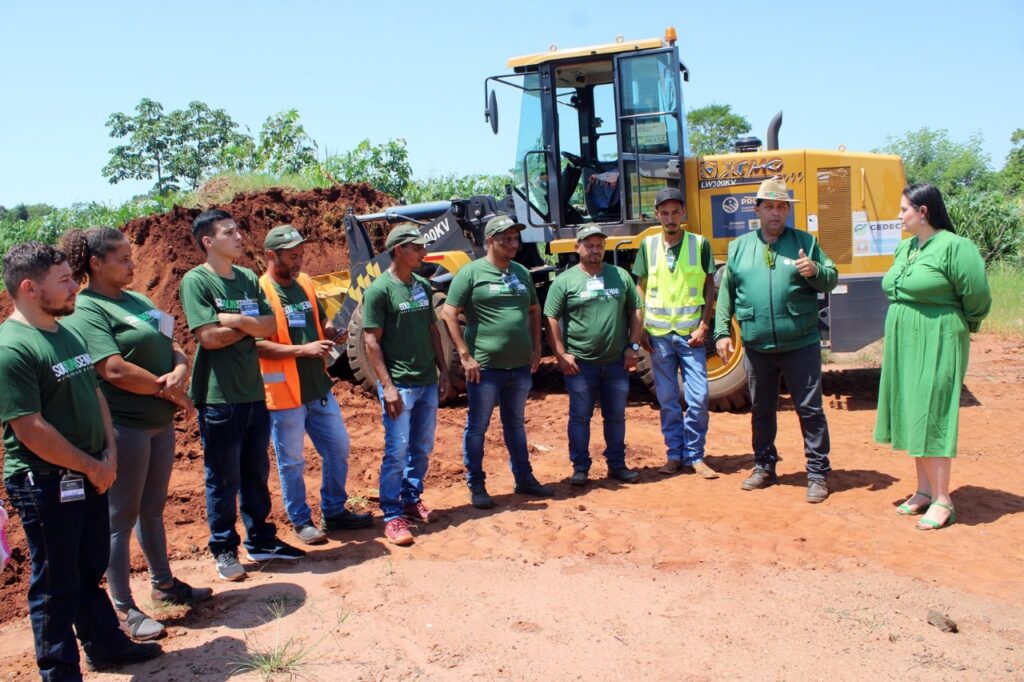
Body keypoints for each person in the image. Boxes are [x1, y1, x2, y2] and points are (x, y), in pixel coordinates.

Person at [0, 241, 162, 678]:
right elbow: (29, 429)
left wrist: (107, 453)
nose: (75, 287)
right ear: (31, 288)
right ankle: (59, 670)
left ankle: (105, 644)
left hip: (90, 471)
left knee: (88, 567)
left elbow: (95, 395)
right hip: (46, 481)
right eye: (65, 281)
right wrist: (91, 465)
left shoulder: (65, 332)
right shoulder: (12, 347)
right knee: (55, 582)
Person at [60, 228, 212, 642]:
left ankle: (164, 585)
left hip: (158, 422)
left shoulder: (139, 300)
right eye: (123, 259)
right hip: (124, 426)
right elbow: (112, 369)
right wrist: (170, 390)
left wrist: (180, 369)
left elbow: (174, 343)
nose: (132, 265)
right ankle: (123, 607)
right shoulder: (87, 310)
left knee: (153, 509)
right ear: (96, 263)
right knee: (118, 519)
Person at [179, 209, 304, 582]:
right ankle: (223, 548)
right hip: (219, 397)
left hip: (253, 391)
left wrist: (234, 321)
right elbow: (208, 338)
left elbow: (271, 324)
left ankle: (262, 540)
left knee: (255, 471)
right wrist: (248, 327)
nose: (239, 237)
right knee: (222, 477)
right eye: (229, 232)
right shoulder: (196, 281)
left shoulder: (248, 277)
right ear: (208, 241)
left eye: (237, 230)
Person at [714, 177, 838, 503]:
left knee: (810, 410)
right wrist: (722, 332)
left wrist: (815, 271)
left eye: (781, 207)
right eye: (769, 206)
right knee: (762, 410)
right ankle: (764, 466)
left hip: (800, 342)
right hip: (757, 345)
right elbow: (726, 292)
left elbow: (831, 277)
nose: (775, 213)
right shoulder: (739, 246)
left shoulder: (805, 242)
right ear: (757, 209)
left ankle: (817, 473)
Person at [874, 183, 991, 530]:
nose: (899, 216)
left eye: (904, 209)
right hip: (905, 340)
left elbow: (977, 297)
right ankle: (924, 490)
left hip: (939, 337)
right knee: (913, 408)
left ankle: (943, 499)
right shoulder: (906, 248)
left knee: (933, 410)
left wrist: (958, 325)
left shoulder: (956, 247)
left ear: (923, 212)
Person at [255, 225, 372, 546]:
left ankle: (333, 510)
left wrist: (332, 331)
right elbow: (255, 345)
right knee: (291, 461)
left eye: (301, 254)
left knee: (338, 449)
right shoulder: (259, 291)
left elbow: (320, 322)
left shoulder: (304, 283)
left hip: (317, 388)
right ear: (270, 255)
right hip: (284, 394)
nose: (299, 261)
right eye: (292, 256)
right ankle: (301, 520)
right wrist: (301, 350)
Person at [441, 214, 552, 509]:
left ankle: (524, 478)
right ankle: (476, 484)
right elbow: (448, 313)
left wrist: (536, 347)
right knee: (478, 426)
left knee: (515, 424)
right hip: (485, 368)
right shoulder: (471, 273)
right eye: (506, 239)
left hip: (518, 366)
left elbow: (533, 309)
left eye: (516, 239)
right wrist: (465, 355)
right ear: (491, 241)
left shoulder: (520, 272)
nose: (513, 244)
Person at [362, 224, 451, 545]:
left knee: (422, 448)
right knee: (396, 451)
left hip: (427, 381)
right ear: (399, 250)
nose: (424, 253)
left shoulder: (422, 287)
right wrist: (386, 386)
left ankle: (411, 499)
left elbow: (432, 331)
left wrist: (443, 371)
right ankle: (392, 514)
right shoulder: (379, 291)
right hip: (400, 385)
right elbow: (371, 340)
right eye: (418, 248)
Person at [544, 223, 644, 486]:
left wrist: (633, 346)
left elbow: (636, 310)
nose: (595, 250)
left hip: (615, 362)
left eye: (599, 245)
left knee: (615, 416)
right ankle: (580, 467)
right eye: (589, 245)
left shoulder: (620, 276)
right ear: (577, 248)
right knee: (579, 417)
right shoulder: (565, 281)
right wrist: (561, 354)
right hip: (581, 365)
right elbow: (551, 318)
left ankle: (617, 465)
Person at [632, 187, 719, 479]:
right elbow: (640, 286)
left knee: (699, 397)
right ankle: (674, 455)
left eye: (675, 212)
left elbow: (710, 284)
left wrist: (705, 324)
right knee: (668, 399)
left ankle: (695, 456)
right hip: (658, 336)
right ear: (656, 214)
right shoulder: (648, 246)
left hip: (689, 334)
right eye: (664, 213)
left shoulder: (700, 244)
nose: (670, 218)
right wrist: (640, 327)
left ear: (683, 213)